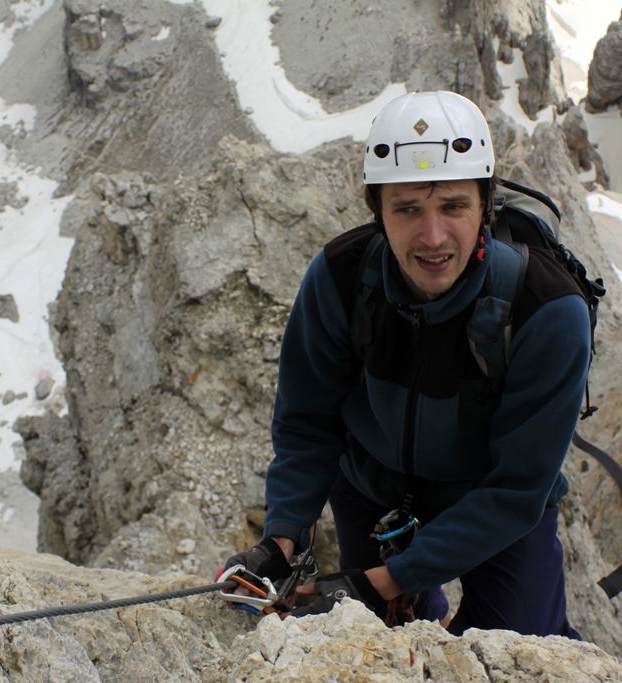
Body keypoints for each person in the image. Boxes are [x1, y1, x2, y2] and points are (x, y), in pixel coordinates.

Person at [224, 91, 588, 638]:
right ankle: (417, 605)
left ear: (484, 206)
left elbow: (518, 488)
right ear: (379, 212)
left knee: (524, 641)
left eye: (453, 207)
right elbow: (307, 423)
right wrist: (282, 538)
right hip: (372, 489)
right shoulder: (340, 279)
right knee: (381, 637)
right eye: (408, 209)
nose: (434, 236)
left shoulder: (547, 310)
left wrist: (385, 579)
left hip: (496, 500)